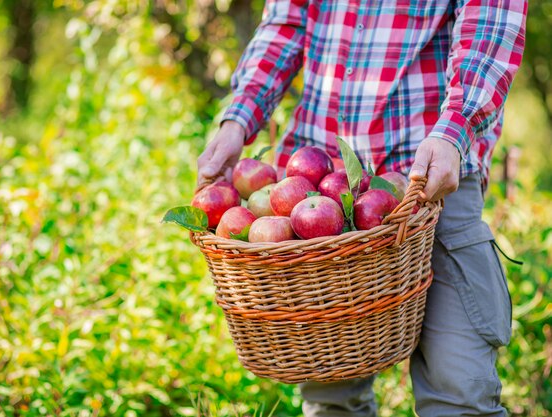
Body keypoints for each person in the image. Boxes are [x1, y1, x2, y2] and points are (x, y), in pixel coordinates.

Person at [197, 1, 527, 415]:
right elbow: (287, 20)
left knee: (459, 392)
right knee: (332, 398)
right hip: (318, 187)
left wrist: (455, 128)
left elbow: (490, 24)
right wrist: (238, 121)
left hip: (428, 178)